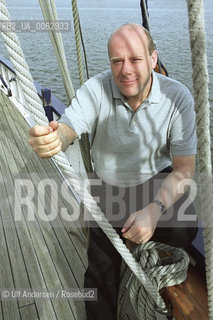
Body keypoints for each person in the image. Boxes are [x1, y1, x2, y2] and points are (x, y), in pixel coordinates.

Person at [29, 23, 197, 320]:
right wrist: (56, 138)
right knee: (101, 271)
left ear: (153, 59)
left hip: (154, 180)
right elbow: (69, 127)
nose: (125, 70)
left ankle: (139, 231)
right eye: (117, 61)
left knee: (187, 228)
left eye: (135, 59)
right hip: (110, 186)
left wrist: (154, 211)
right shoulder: (97, 89)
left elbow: (184, 170)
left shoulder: (178, 97)